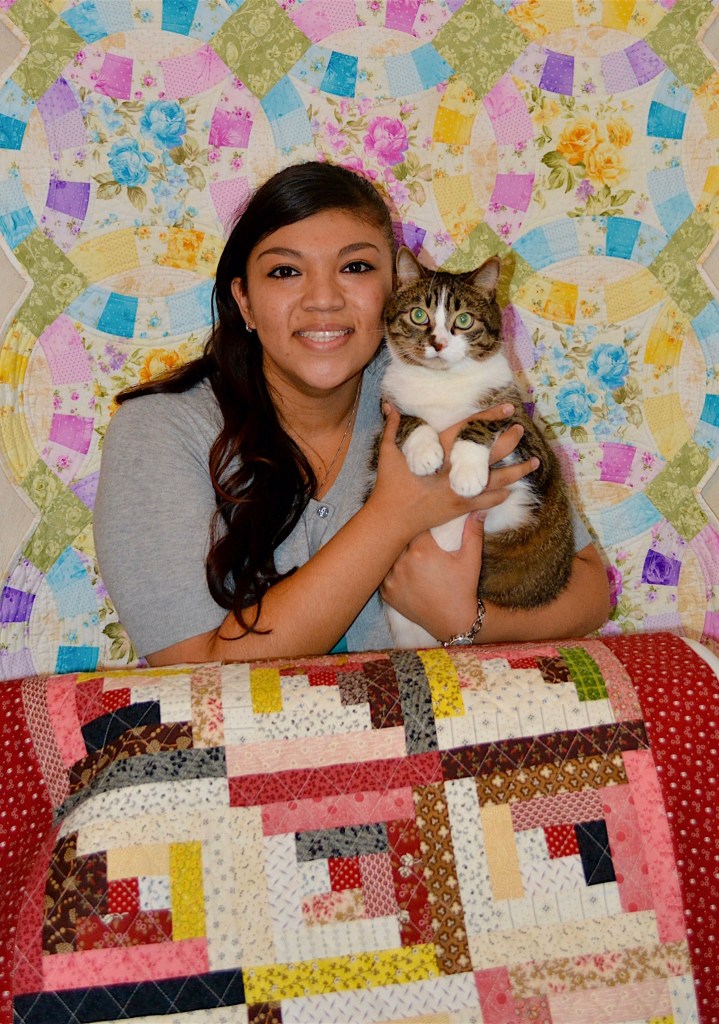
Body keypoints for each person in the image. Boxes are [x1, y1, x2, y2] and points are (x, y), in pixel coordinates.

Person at [93, 161, 610, 666]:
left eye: (355, 267)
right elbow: (189, 667)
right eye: (285, 271)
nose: (323, 299)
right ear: (245, 302)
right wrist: (394, 515)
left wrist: (466, 620)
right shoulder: (161, 431)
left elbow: (590, 591)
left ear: (394, 289)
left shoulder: (439, 388)